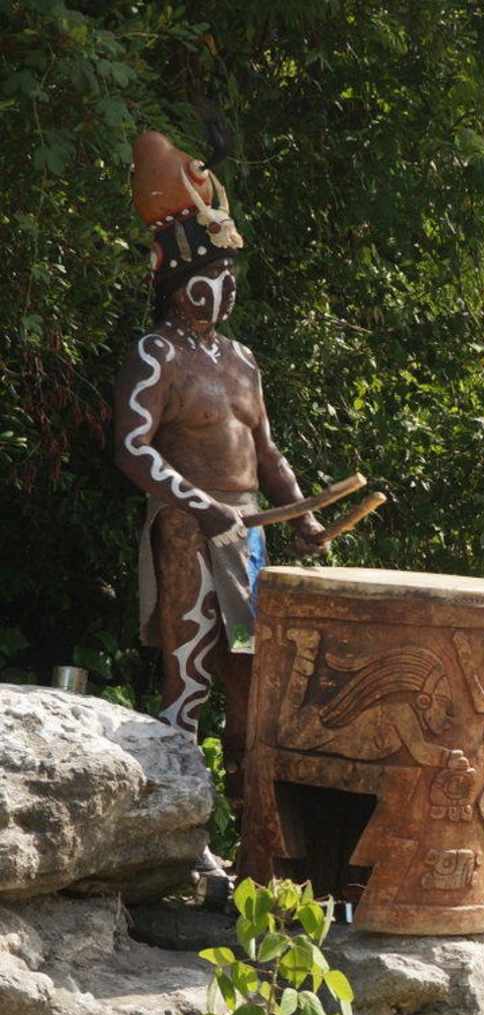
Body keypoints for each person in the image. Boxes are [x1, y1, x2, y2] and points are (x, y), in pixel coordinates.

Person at [114, 131, 326, 866]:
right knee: (190, 679)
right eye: (211, 277)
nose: (223, 291)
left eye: (230, 277)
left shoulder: (241, 361)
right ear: (177, 282)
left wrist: (304, 513)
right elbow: (133, 448)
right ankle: (179, 844)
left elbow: (267, 451)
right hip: (186, 531)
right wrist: (198, 506)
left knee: (255, 686)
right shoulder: (157, 354)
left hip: (249, 537)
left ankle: (256, 851)